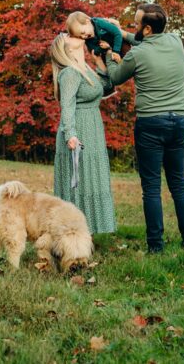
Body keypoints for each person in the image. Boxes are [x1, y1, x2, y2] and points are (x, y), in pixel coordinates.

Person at [101, 3, 184, 253]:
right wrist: (122, 32)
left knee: (151, 187)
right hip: (179, 122)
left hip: (151, 124)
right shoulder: (176, 42)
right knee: (178, 184)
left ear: (148, 28)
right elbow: (142, 41)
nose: (134, 27)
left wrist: (109, 55)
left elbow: (116, 77)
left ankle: (156, 247)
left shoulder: (136, 55)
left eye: (136, 24)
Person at [49, 32, 116, 235]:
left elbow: (106, 87)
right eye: (69, 36)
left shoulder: (84, 68)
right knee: (79, 184)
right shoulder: (70, 72)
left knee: (91, 180)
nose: (76, 36)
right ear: (66, 48)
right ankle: (72, 233)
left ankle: (90, 231)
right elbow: (66, 106)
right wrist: (70, 134)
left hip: (93, 128)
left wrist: (99, 61)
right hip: (78, 131)